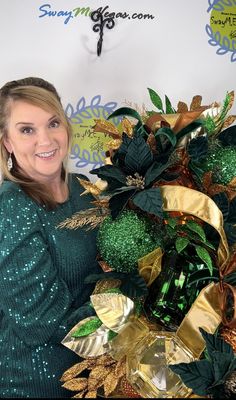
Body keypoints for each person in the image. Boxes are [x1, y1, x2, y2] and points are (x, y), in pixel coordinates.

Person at [0, 77, 100, 398]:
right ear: (7, 142)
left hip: (94, 373)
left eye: (53, 123)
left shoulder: (85, 190)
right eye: (27, 129)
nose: (46, 140)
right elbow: (40, 322)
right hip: (36, 381)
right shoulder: (12, 206)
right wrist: (133, 316)